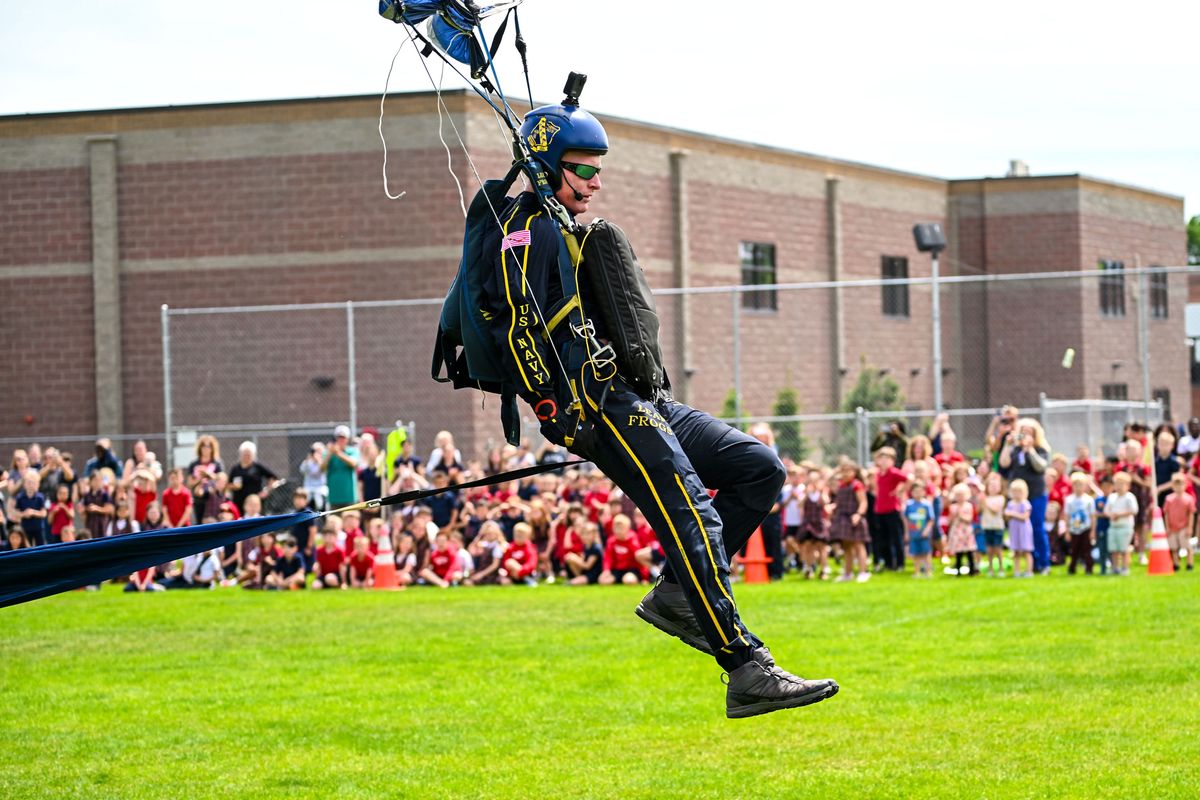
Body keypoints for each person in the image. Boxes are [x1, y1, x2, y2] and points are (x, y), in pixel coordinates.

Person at [998, 418, 1051, 575]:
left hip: (1036, 493)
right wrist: (1007, 445)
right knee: (1020, 531)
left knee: (1036, 527)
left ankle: (1043, 562)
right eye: (1023, 432)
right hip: (1018, 497)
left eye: (1029, 433)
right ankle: (1028, 564)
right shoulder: (1015, 450)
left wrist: (1030, 450)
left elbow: (1040, 466)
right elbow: (1004, 463)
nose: (1026, 436)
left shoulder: (1041, 450)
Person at [828, 461, 870, 583]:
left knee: (858, 545)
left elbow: (863, 502)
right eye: (843, 471)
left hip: (854, 518)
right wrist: (833, 507)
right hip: (842, 519)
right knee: (846, 547)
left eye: (848, 471)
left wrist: (858, 514)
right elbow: (840, 502)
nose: (845, 474)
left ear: (854, 472)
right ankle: (848, 573)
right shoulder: (841, 486)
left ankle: (863, 572)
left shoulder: (857, 485)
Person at [873, 447, 910, 571]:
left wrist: (900, 490)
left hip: (892, 509)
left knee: (896, 538)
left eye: (886, 459)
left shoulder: (894, 472)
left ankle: (900, 563)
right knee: (883, 539)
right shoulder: (877, 474)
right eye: (881, 459)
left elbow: (909, 479)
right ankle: (889, 563)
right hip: (880, 509)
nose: (883, 462)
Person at [228, 441, 281, 514]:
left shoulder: (257, 467)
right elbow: (228, 485)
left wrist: (266, 491)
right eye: (245, 454)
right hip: (239, 503)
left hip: (255, 503)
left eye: (249, 455)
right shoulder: (235, 469)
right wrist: (234, 486)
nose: (246, 457)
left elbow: (274, 478)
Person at [1105, 472, 1138, 577]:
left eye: (1121, 484)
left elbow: (1134, 510)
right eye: (1117, 484)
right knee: (1113, 549)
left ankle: (1125, 568)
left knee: (1124, 549)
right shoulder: (1112, 497)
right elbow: (1106, 510)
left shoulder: (1129, 497)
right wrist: (1111, 515)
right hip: (1113, 527)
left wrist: (1119, 514)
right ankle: (1115, 568)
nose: (1119, 487)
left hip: (1125, 527)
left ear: (1127, 486)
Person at [1063, 472, 1097, 575]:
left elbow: (1092, 516)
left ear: (1085, 486)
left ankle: (1089, 568)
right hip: (1074, 529)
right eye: (1076, 485)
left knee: (1086, 550)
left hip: (1085, 528)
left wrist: (1092, 530)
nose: (1078, 487)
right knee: (1074, 550)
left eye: (1081, 485)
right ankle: (1072, 568)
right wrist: (1067, 531)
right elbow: (1067, 516)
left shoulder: (1089, 500)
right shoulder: (1069, 500)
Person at [186, 435, 224, 524]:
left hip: (214, 499)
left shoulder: (217, 463)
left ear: (212, 448)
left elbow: (222, 479)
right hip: (199, 499)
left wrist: (209, 475)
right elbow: (189, 483)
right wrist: (200, 478)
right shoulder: (194, 464)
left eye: (208, 446)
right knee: (200, 523)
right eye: (203, 446)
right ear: (199, 448)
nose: (205, 448)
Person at [1163, 472, 1195, 571]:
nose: (1179, 487)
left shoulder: (1189, 499)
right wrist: (1167, 527)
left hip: (1184, 526)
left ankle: (1190, 564)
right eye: (1176, 485)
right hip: (1172, 527)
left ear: (1185, 485)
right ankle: (1176, 564)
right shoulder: (1169, 499)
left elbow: (1191, 514)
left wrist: (1190, 527)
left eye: (1181, 484)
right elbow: (1166, 513)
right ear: (1172, 486)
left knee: (1187, 546)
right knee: (1173, 547)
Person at [903, 480, 935, 578]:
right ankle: (916, 571)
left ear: (924, 492)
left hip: (923, 534)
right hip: (913, 533)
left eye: (919, 491)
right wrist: (907, 532)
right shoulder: (909, 505)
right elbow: (906, 519)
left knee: (926, 552)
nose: (917, 494)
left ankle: (927, 571)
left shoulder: (927, 505)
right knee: (915, 553)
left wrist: (927, 530)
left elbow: (931, 519)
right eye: (915, 491)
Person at [323, 426, 359, 509]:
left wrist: (338, 453)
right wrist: (330, 453)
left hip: (349, 496)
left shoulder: (352, 451)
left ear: (347, 439)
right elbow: (322, 468)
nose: (341, 440)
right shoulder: (328, 453)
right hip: (334, 496)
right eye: (339, 437)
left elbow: (354, 463)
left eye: (343, 437)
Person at [979, 473, 1007, 577]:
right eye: (991, 486)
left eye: (996, 486)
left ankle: (1001, 568)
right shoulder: (985, 499)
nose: (993, 488)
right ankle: (990, 569)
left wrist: (984, 501)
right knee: (989, 549)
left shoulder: (1000, 498)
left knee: (998, 549)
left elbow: (995, 510)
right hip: (987, 526)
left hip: (997, 527)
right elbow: (979, 511)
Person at [1005, 479, 1034, 578]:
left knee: (1026, 551)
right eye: (1014, 492)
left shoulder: (1025, 503)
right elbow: (1006, 516)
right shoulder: (1011, 504)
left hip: (1024, 530)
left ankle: (1029, 571)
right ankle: (1016, 571)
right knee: (1016, 551)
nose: (1017, 494)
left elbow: (1025, 517)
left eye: (1019, 492)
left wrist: (1012, 514)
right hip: (1014, 530)